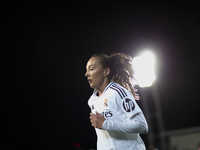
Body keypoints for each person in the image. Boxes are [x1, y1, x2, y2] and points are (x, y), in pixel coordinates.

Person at [85, 53, 148, 150]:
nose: (86, 74)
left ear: (106, 72)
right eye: (87, 70)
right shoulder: (92, 100)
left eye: (91, 69)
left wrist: (106, 124)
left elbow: (142, 126)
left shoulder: (118, 93)